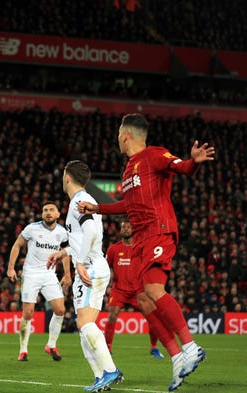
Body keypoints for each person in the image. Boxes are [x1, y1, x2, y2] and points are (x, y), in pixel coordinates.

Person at [78, 113, 214, 391]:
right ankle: (176, 356)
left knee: (152, 289)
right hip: (141, 239)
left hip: (159, 230)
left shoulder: (153, 154)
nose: (117, 139)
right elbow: (127, 205)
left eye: (118, 134)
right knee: (143, 299)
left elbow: (181, 167)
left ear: (125, 135)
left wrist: (193, 163)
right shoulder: (128, 171)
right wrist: (98, 208)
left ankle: (189, 345)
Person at [48, 161, 122, 392]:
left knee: (85, 323)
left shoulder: (78, 202)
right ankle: (101, 377)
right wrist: (64, 252)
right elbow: (83, 238)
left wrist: (78, 262)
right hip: (90, 267)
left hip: (90, 268)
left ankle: (110, 370)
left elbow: (90, 231)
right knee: (83, 327)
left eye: (63, 175)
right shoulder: (81, 200)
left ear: (67, 177)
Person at [7, 201, 71, 362]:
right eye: (45, 210)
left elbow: (65, 254)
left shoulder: (62, 232)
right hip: (31, 274)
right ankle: (23, 350)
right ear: (42, 214)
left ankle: (51, 345)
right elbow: (17, 246)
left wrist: (68, 274)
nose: (48, 212)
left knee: (60, 310)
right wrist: (11, 268)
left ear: (58, 214)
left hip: (50, 275)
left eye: (51, 210)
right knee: (28, 313)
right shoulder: (32, 228)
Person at [104, 219, 164, 359]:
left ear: (134, 230)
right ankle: (107, 348)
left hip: (139, 290)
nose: (125, 229)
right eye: (123, 227)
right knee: (112, 315)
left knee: (153, 317)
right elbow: (106, 268)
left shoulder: (142, 247)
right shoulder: (113, 249)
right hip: (119, 290)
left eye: (129, 227)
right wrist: (107, 285)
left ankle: (154, 347)